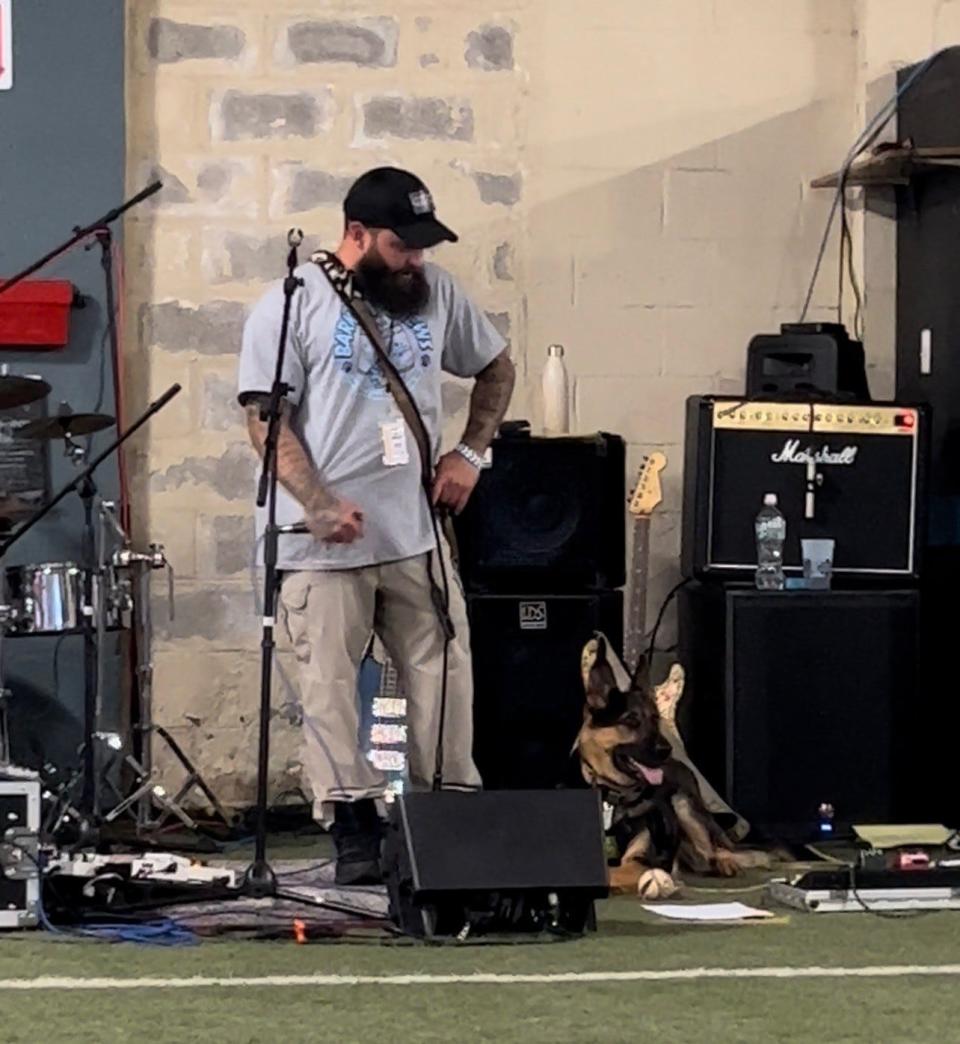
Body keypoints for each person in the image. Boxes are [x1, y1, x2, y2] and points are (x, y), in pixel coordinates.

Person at [237, 167, 515, 884]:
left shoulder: (438, 292)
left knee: (445, 669)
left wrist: (471, 453)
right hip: (320, 544)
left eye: (424, 245)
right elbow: (264, 419)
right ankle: (354, 829)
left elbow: (497, 366)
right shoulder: (290, 304)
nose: (416, 259)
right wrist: (319, 502)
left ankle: (448, 813)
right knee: (328, 685)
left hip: (415, 531)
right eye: (401, 246)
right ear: (355, 235)